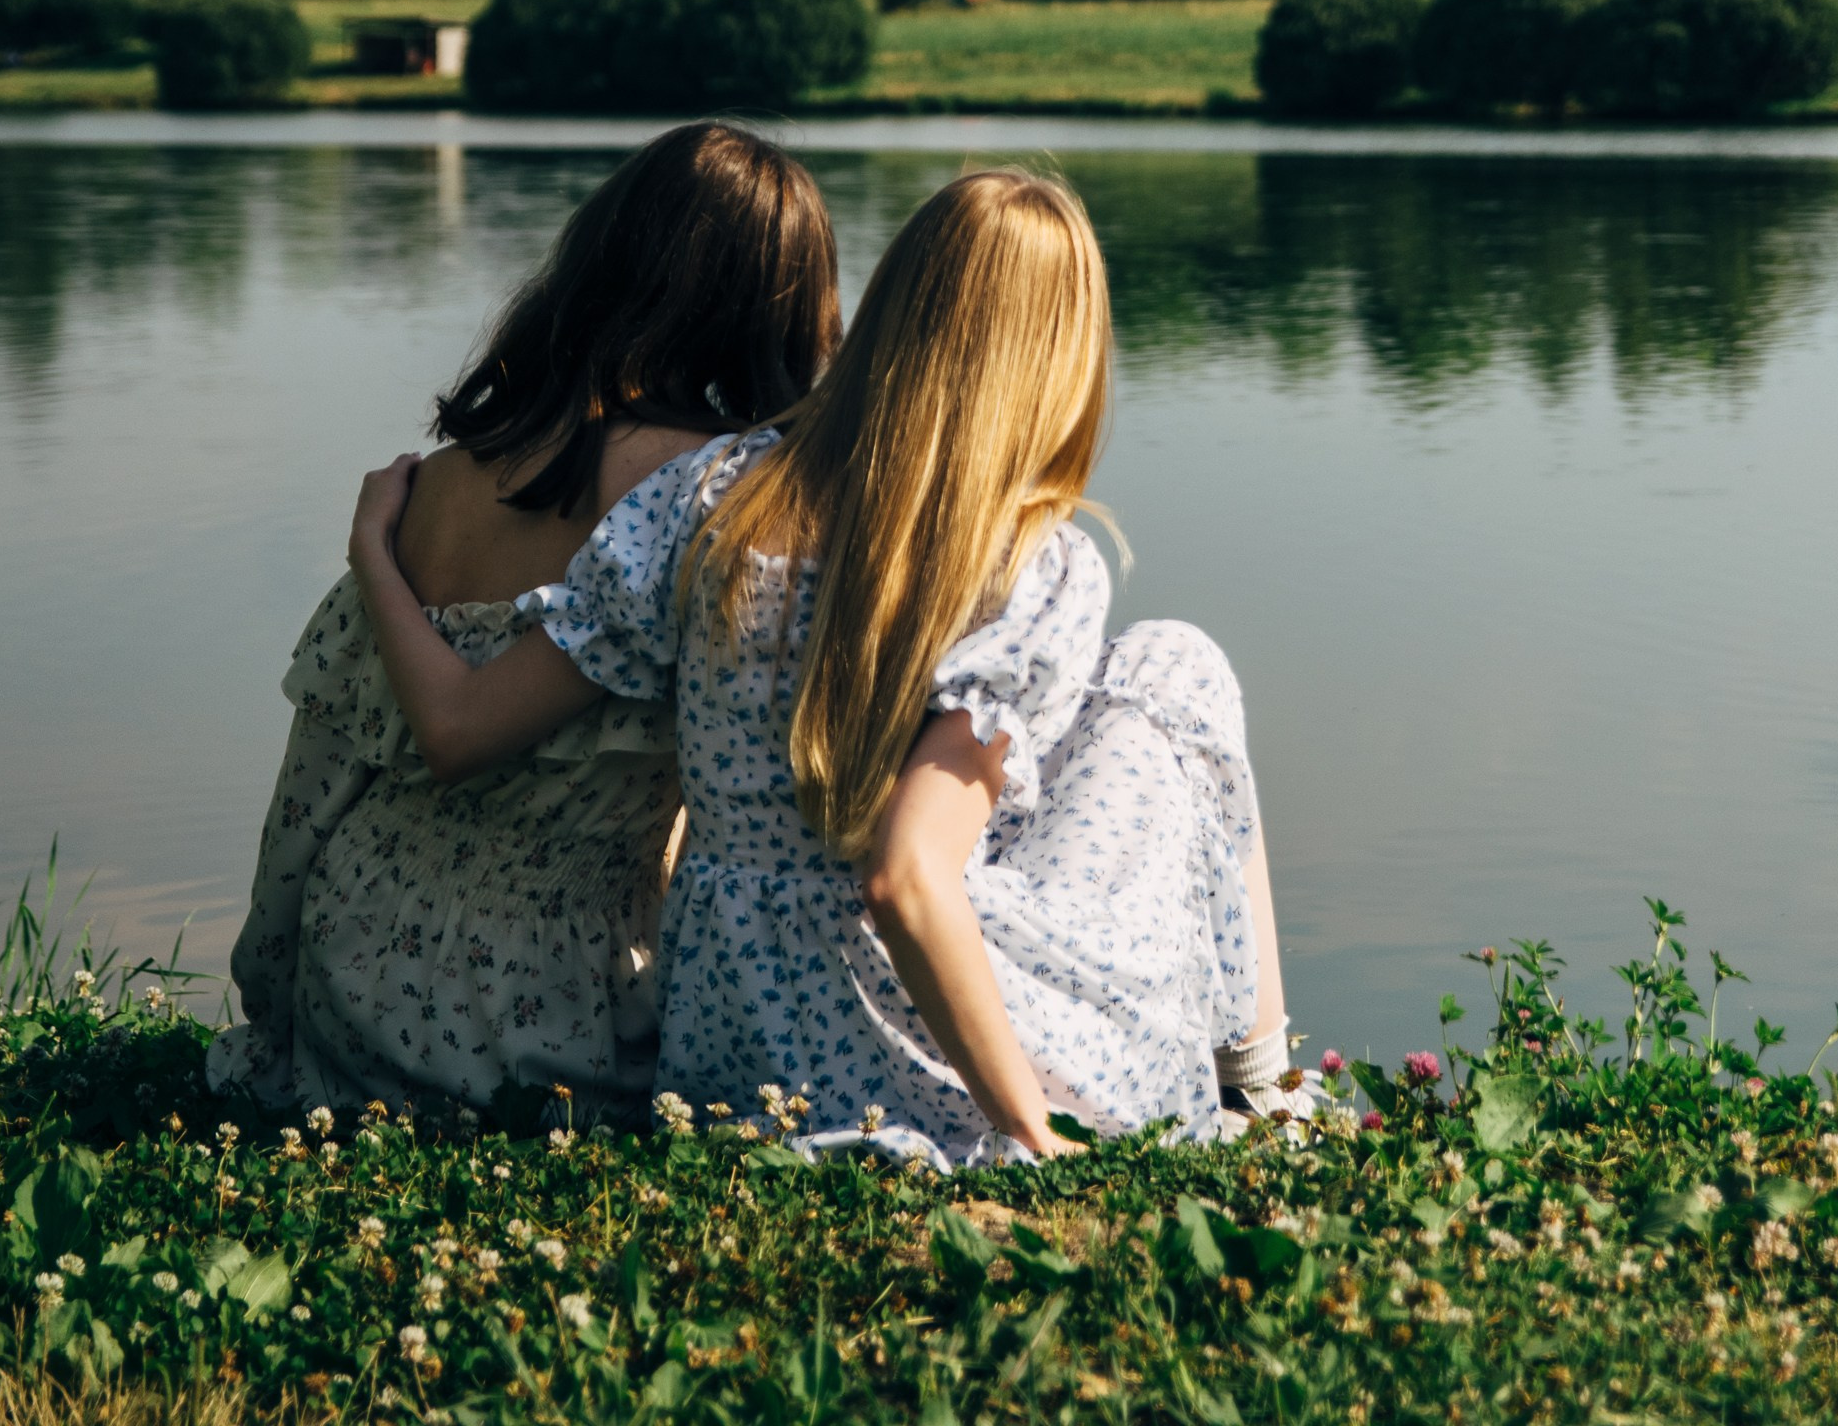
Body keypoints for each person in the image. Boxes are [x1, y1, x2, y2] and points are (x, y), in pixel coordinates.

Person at [348, 167, 1300, 1163]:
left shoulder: (705, 496)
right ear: (1058, 358)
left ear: (891, 308)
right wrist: (1029, 1129)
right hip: (926, 1050)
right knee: (1174, 663)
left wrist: (376, 550)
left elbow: (454, 728)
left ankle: (1261, 1078)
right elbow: (904, 877)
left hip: (731, 1055)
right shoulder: (1030, 559)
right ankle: (1263, 1080)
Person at [209, 121, 840, 1118]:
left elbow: (308, 796)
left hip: (354, 997)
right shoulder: (723, 495)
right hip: (560, 1020)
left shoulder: (431, 484)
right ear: (783, 306)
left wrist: (275, 1001)